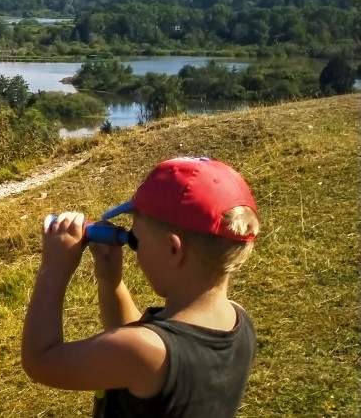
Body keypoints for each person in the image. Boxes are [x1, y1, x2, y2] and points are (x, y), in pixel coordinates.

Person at [21, 157, 260, 417]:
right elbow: (141, 345)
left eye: (135, 239)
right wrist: (111, 283)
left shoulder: (147, 350)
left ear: (173, 249)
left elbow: (41, 361)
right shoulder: (239, 321)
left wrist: (53, 270)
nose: (132, 247)